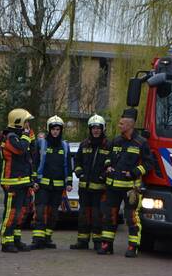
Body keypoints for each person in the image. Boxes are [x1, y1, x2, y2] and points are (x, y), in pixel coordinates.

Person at [98, 108, 155, 258]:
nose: (119, 125)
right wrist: (108, 165)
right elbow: (107, 157)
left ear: (130, 125)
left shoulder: (141, 143)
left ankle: (132, 246)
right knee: (109, 216)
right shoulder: (115, 141)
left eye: (122, 123)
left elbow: (149, 164)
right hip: (112, 187)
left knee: (131, 218)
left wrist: (134, 172)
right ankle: (106, 245)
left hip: (131, 189)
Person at [31, 115, 71, 249]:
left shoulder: (64, 146)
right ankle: (37, 239)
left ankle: (47, 238)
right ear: (49, 130)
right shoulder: (41, 143)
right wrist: (34, 180)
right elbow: (35, 162)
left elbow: (68, 166)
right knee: (41, 212)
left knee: (53, 214)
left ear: (61, 130)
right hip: (43, 185)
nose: (55, 132)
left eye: (58, 129)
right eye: (53, 129)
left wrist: (69, 182)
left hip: (58, 187)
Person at [71, 114, 110, 251]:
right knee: (83, 215)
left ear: (103, 129)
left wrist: (104, 176)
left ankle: (98, 242)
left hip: (100, 189)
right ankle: (82, 241)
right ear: (89, 129)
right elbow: (77, 161)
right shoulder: (84, 144)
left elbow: (112, 165)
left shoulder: (108, 146)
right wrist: (79, 172)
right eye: (93, 128)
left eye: (98, 128)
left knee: (97, 215)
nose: (96, 130)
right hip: (84, 188)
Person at [0, 108, 35, 253]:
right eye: (26, 122)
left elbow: (32, 152)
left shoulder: (20, 136)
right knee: (11, 212)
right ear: (19, 122)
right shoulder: (10, 137)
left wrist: (30, 138)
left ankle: (16, 239)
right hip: (12, 182)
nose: (28, 125)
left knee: (21, 212)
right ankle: (6, 241)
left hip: (23, 181)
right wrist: (27, 136)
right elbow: (20, 150)